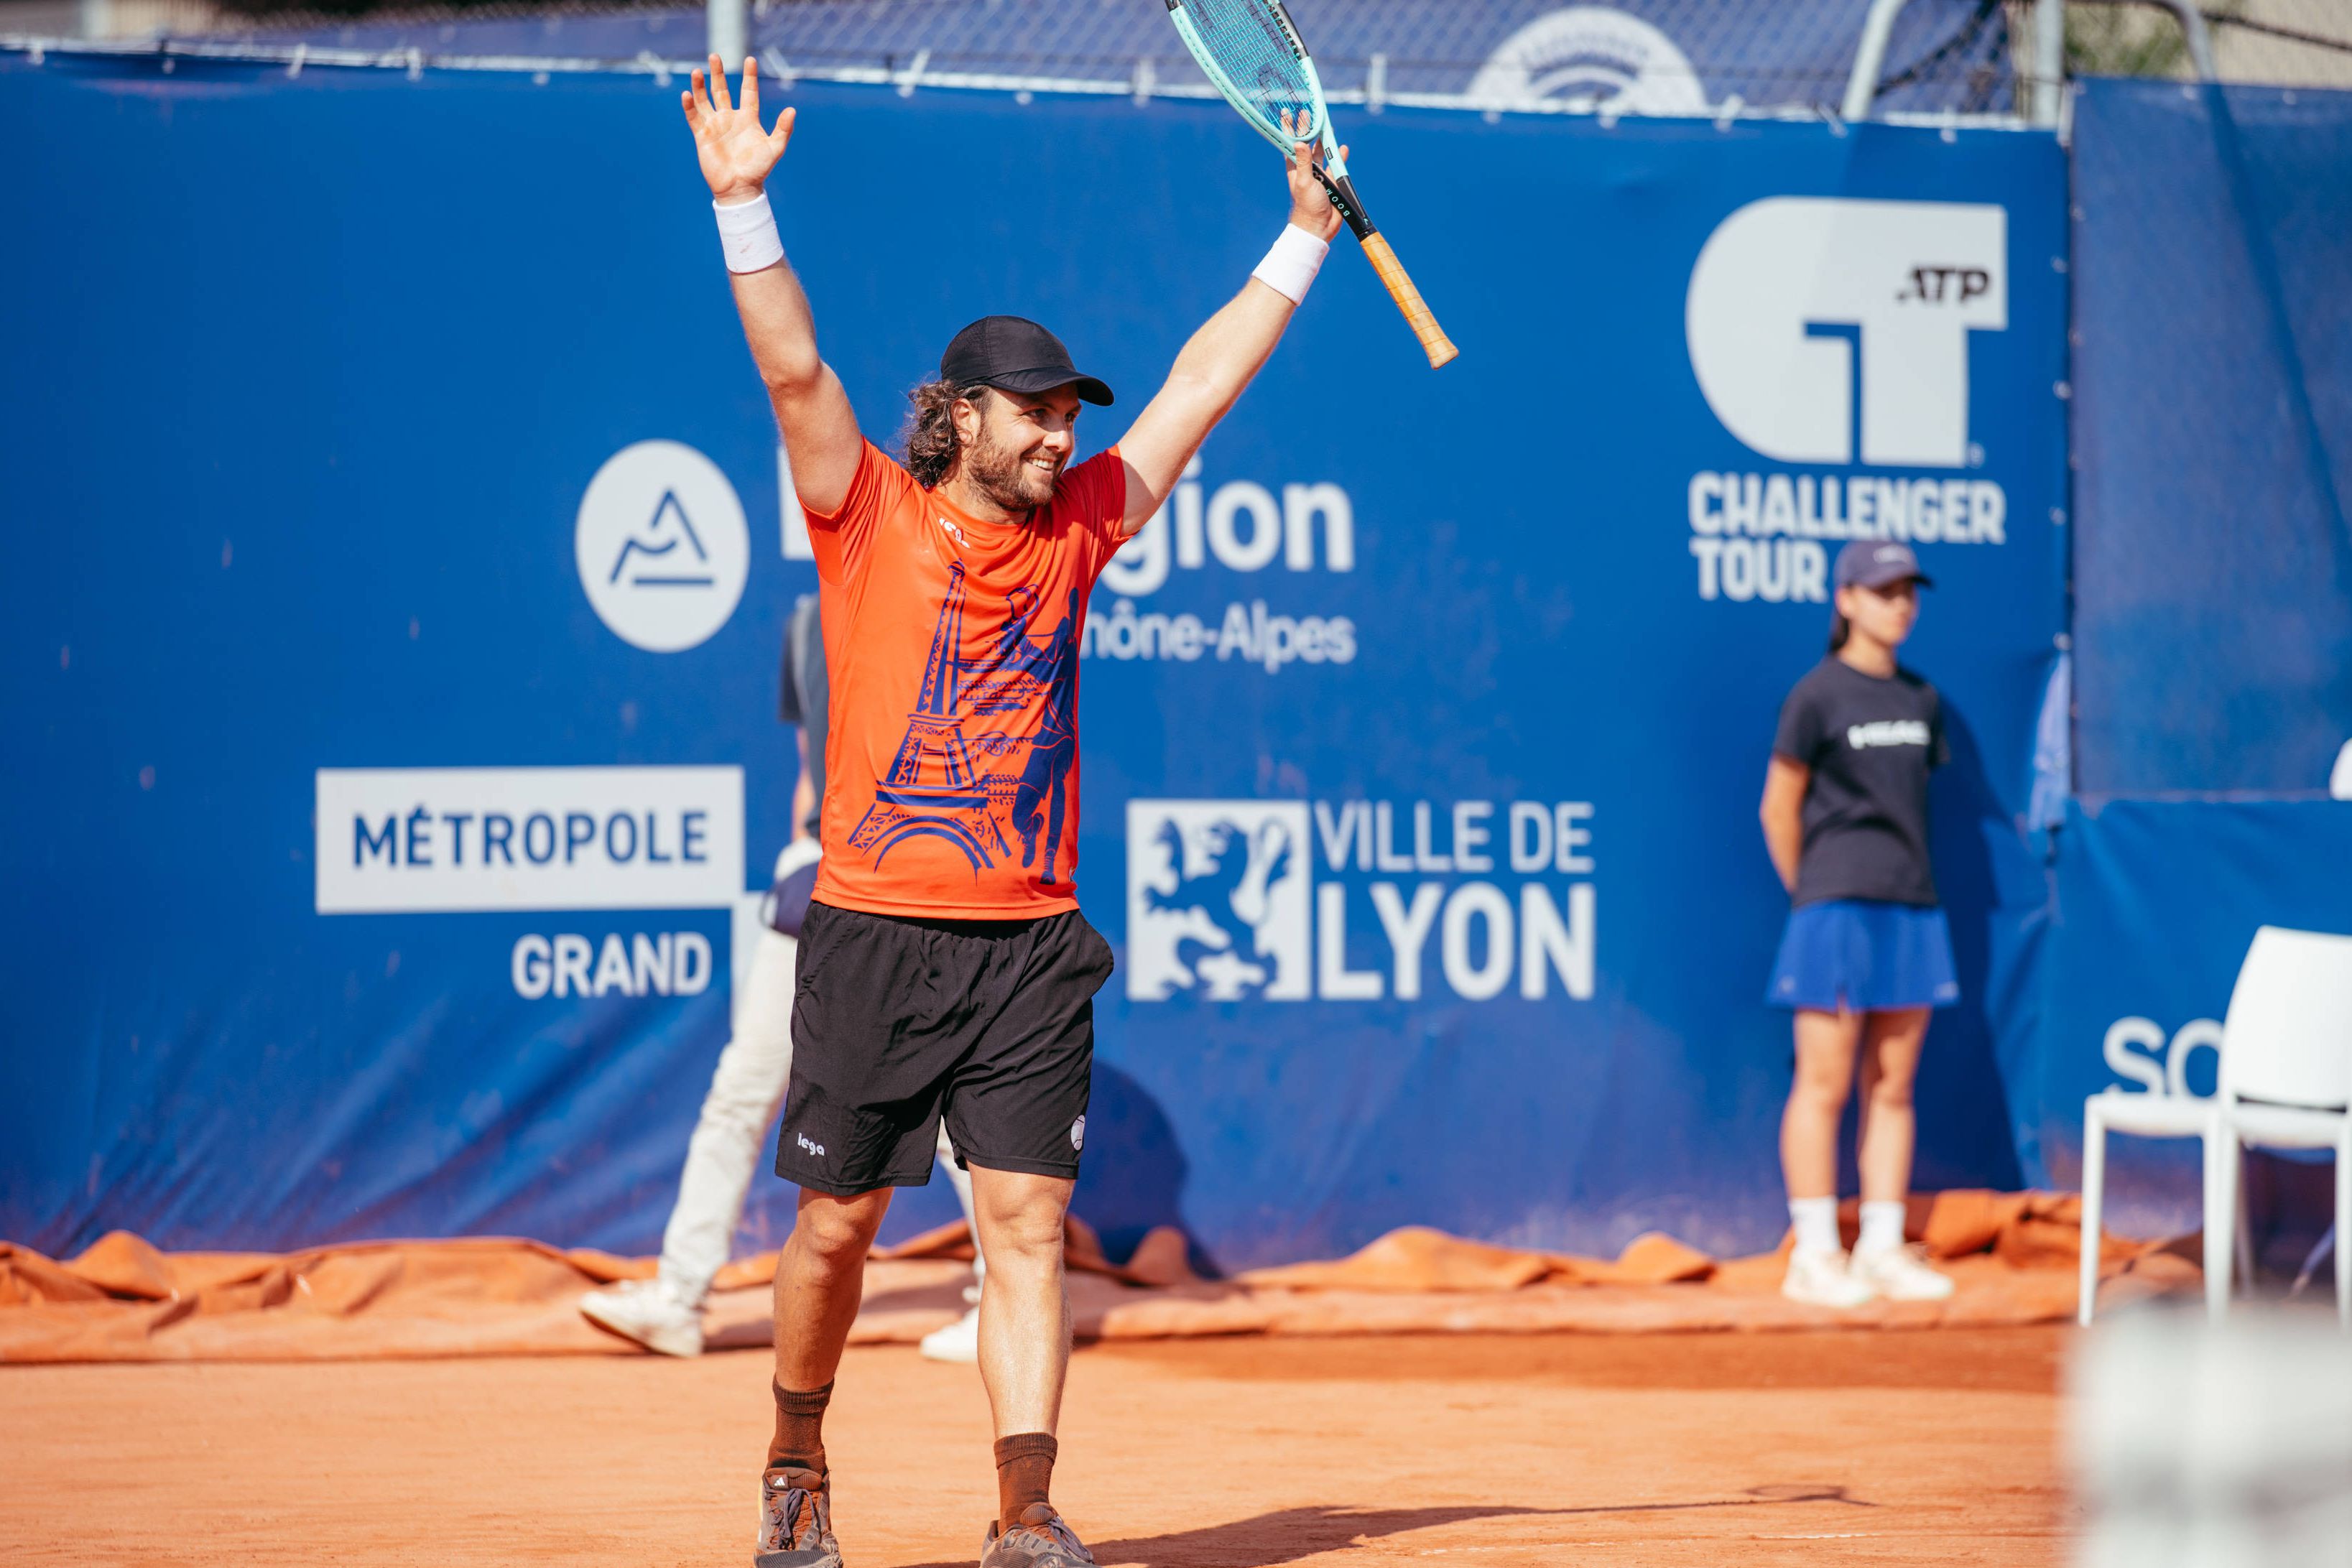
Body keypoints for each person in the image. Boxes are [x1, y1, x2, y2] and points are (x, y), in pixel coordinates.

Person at [680, 55, 1346, 1568]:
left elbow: (1196, 387)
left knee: (1028, 1225)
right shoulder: (862, 511)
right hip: (869, 933)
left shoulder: (1085, 528)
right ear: (960, 416)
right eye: (1033, 414)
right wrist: (740, 206)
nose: (1059, 435)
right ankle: (794, 1451)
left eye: (1066, 417)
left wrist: (1302, 229)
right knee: (837, 1229)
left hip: (1030, 945)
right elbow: (794, 372)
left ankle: (1024, 1506)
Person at [577, 594, 991, 1362]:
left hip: (905, 880)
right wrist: (805, 851)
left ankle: (1003, 1298)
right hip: (819, 876)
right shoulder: (804, 619)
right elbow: (813, 759)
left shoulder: (935, 597)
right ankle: (678, 1295)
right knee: (742, 1085)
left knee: (935, 1107)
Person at [1759, 540, 1962, 1309]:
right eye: (1882, 590)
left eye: (1908, 590)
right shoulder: (1815, 695)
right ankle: (1815, 1253)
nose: (1899, 604)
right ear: (1845, 599)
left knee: (1895, 1083)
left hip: (1912, 905)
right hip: (1833, 907)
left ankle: (1880, 1246)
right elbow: (1778, 808)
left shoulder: (1921, 699)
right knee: (1823, 1081)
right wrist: (1812, 891)